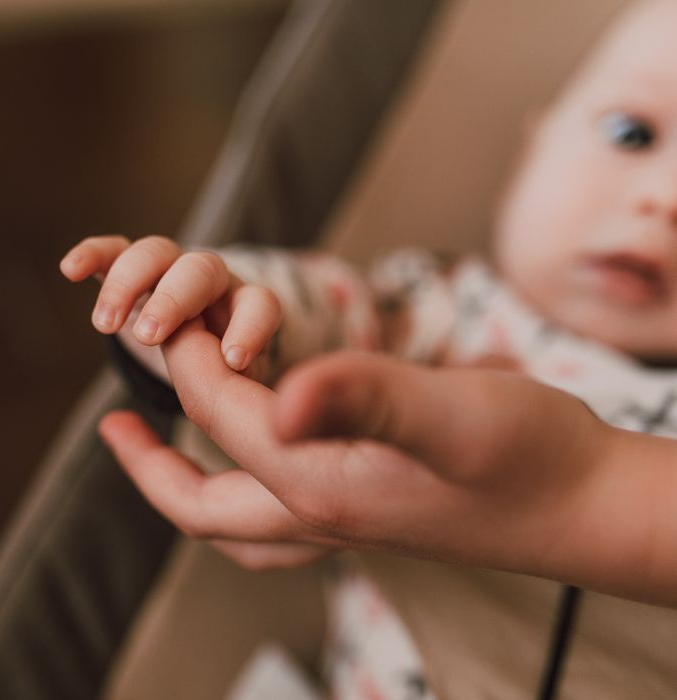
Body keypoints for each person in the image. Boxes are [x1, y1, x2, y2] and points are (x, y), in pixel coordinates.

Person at [61, 0, 677, 696]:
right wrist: (198, 312)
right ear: (533, 144)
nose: (664, 197)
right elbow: (305, 312)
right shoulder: (432, 311)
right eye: (632, 133)